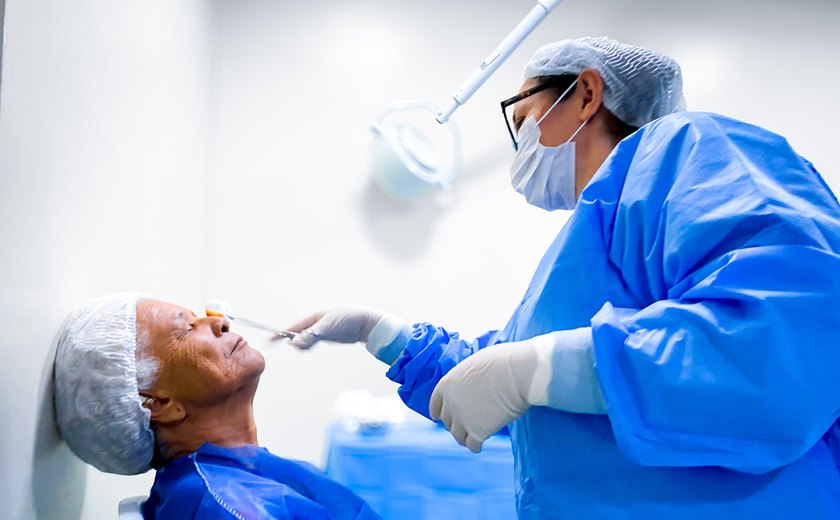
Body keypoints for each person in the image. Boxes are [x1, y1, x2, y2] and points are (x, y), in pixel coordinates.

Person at [287, 37, 840, 518]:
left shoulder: (695, 149)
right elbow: (508, 378)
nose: (519, 144)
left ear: (585, 94)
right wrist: (381, 332)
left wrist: (539, 369)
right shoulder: (591, 239)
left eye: (522, 118)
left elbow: (791, 336)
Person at [54, 293, 381, 520]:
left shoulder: (235, 482)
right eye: (185, 329)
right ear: (161, 404)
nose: (220, 323)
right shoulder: (224, 507)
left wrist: (384, 335)